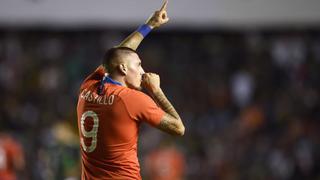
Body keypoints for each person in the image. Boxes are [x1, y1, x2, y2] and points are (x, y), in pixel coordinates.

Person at [76, 1, 185, 179]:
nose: (143, 71)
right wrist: (156, 91)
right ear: (124, 69)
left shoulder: (88, 87)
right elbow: (179, 128)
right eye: (139, 65)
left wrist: (149, 25)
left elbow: (117, 56)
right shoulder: (132, 99)